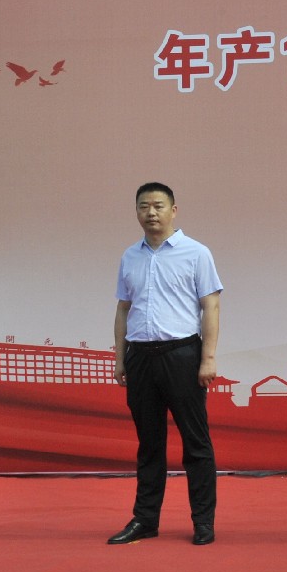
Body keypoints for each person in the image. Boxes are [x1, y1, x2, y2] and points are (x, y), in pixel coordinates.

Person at [109, 182, 222, 546]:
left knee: (195, 442)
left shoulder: (196, 253)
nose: (151, 213)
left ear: (174, 210)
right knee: (149, 443)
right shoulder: (130, 256)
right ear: (137, 212)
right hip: (141, 356)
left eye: (158, 206)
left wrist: (207, 359)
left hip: (182, 354)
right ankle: (145, 519)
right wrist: (120, 357)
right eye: (144, 206)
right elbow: (123, 308)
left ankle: (203, 521)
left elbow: (211, 306)